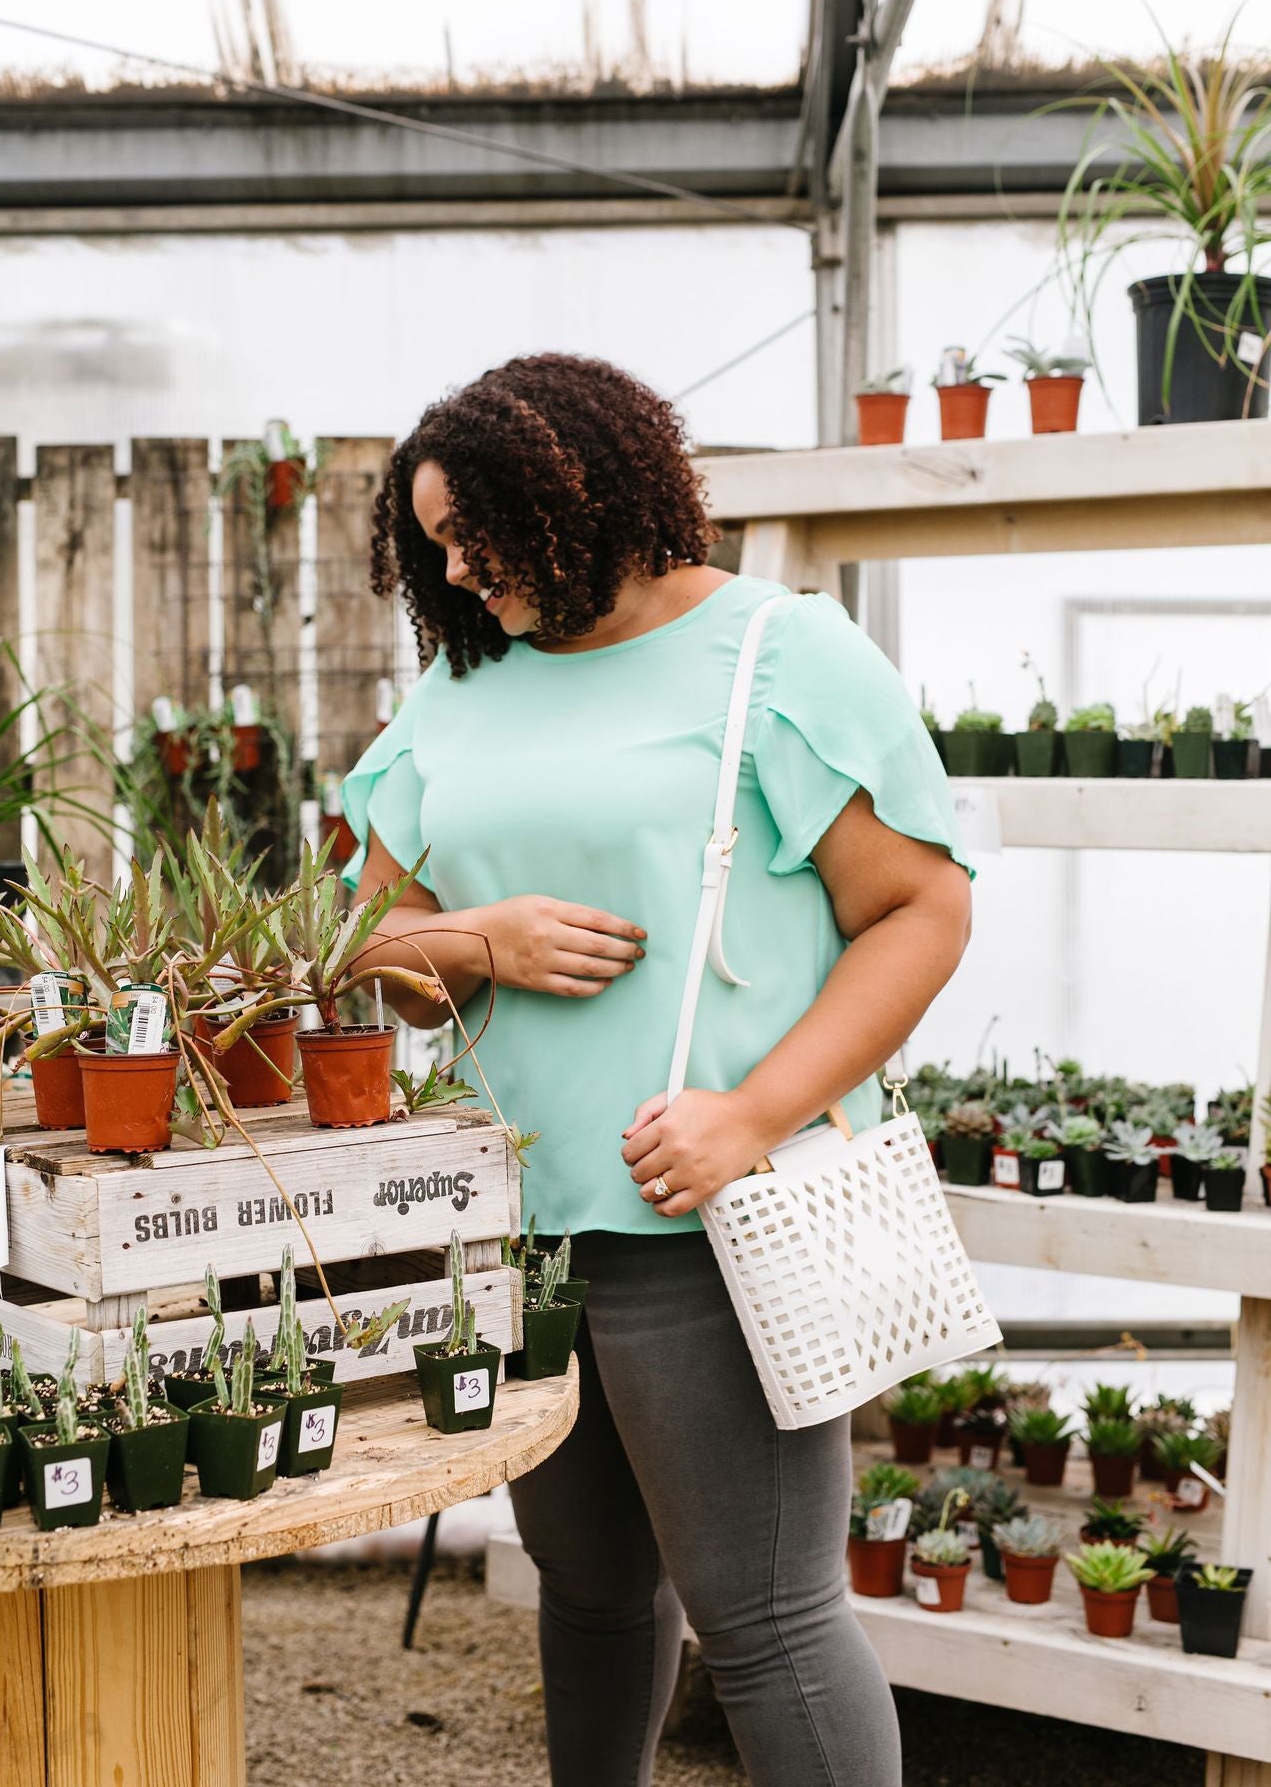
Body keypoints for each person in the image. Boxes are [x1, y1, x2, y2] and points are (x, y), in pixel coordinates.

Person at [343, 352, 972, 1787]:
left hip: (707, 1222)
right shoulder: (460, 686)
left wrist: (750, 1116)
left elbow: (920, 912)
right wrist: (482, 940)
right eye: (436, 545)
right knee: (588, 1593)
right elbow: (370, 948)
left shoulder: (777, 654)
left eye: (475, 533)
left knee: (768, 1621)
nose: (458, 569)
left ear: (576, 489)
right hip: (520, 1224)